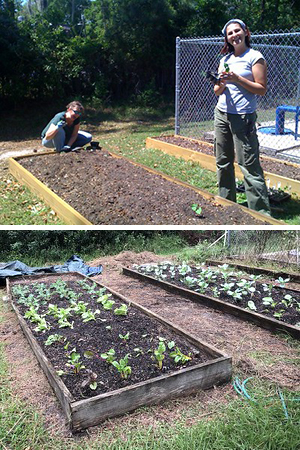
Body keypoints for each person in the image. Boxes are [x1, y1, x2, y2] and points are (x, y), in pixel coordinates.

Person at [212, 19, 271, 215]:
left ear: (246, 32)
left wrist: (238, 79)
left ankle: (261, 213)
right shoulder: (225, 60)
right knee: (223, 161)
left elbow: (261, 89)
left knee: (248, 165)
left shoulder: (255, 57)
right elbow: (217, 90)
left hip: (243, 117)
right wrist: (222, 82)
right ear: (226, 38)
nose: (234, 35)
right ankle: (227, 203)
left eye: (237, 31)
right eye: (230, 33)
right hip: (221, 114)